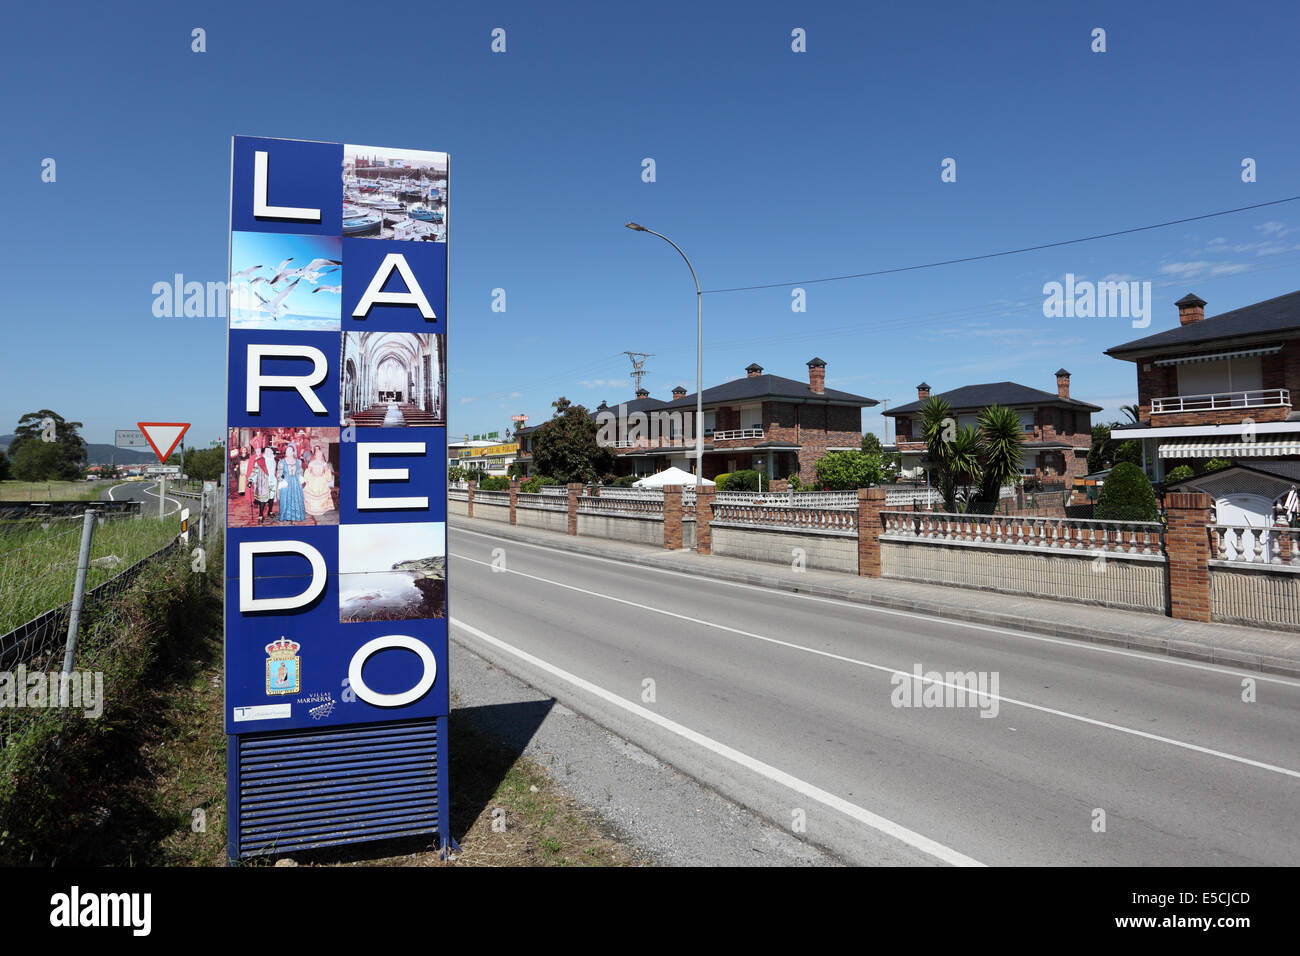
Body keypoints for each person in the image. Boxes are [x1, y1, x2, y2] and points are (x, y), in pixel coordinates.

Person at [277, 443, 307, 523]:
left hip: (296, 482)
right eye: (287, 450)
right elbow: (279, 473)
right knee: (286, 499)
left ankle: (295, 517)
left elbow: (300, 471)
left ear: (293, 452)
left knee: (295, 499)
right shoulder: (281, 462)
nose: (288, 452)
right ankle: (286, 516)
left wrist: (301, 478)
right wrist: (282, 481)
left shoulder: (298, 461)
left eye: (290, 450)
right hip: (286, 482)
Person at [303, 446, 335, 518]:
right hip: (313, 481)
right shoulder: (312, 463)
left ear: (322, 456)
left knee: (321, 495)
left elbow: (327, 471)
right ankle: (312, 510)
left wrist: (327, 476)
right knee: (311, 494)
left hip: (321, 481)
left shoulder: (324, 463)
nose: (319, 456)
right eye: (317, 455)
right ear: (315, 455)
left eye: (320, 455)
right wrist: (307, 478)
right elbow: (308, 471)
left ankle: (321, 510)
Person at [251, 446, 276, 522]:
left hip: (273, 481)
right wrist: (250, 480)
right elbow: (255, 471)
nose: (268, 452)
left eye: (269, 451)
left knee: (271, 497)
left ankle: (270, 512)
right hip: (264, 482)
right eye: (266, 451)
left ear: (272, 452)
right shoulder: (260, 460)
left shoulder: (274, 460)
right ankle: (260, 515)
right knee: (263, 499)